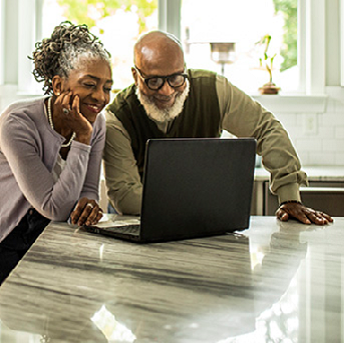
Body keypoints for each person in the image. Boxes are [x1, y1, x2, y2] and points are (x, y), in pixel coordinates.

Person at [103, 30, 333, 225]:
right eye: (154, 81)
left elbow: (266, 129)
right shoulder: (117, 117)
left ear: (184, 68)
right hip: (138, 221)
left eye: (176, 78)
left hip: (203, 219)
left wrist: (289, 196)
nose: (167, 91)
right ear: (135, 75)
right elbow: (125, 197)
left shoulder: (214, 90)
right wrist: (206, 204)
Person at [0, 22, 113, 307]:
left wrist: (89, 204)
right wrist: (81, 137)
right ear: (58, 85)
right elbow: (55, 207)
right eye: (90, 84)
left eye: (107, 87)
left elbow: (88, 190)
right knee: (6, 328)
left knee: (53, 320)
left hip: (43, 230)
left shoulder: (97, 123)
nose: (101, 97)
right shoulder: (17, 124)